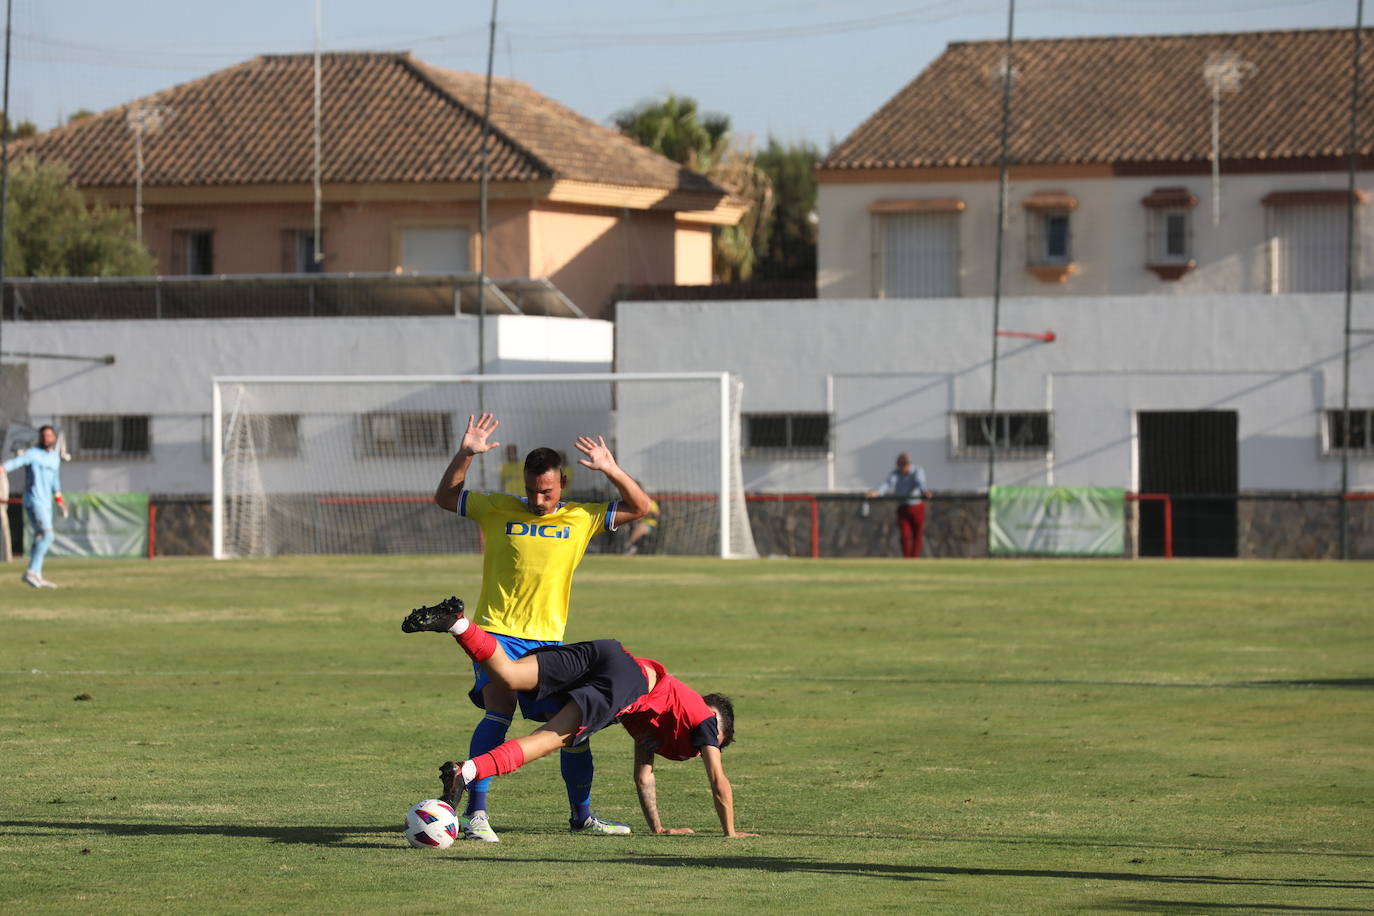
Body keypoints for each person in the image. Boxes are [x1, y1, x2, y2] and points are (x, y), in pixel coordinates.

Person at [433, 413, 651, 842]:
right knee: (500, 708)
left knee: (571, 727)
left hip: (548, 642)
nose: (538, 499)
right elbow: (446, 497)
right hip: (494, 631)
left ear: (563, 484)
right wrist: (465, 454)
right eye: (532, 491)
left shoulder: (581, 518)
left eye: (546, 492)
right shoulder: (497, 508)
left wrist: (610, 467)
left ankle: (581, 816)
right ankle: (476, 815)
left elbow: (640, 507)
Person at [401, 596, 756, 838]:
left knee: (508, 675)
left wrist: (658, 828)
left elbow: (644, 776)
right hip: (624, 680)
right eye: (713, 743)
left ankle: (458, 623)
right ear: (717, 726)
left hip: (608, 653)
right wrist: (731, 832)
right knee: (548, 740)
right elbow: (718, 781)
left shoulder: (659, 716)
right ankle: (468, 771)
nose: (705, 746)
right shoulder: (704, 720)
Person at [1, 425, 67, 588]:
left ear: (54, 438)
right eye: (43, 435)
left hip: (46, 503)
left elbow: (55, 481)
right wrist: (2, 469)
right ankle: (31, 571)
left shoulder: (54, 458)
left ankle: (36, 573)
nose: (46, 438)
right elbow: (16, 462)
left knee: (41, 536)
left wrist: (59, 500)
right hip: (34, 501)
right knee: (47, 535)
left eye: (49, 435)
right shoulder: (32, 454)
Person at [867, 452, 932, 558]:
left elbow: (920, 483)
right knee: (905, 534)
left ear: (906, 464)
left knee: (917, 534)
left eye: (901, 465)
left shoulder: (917, 471)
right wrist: (877, 492)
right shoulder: (896, 473)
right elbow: (887, 483)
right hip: (903, 508)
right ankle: (907, 558)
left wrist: (924, 492)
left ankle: (915, 558)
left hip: (916, 507)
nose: (899, 468)